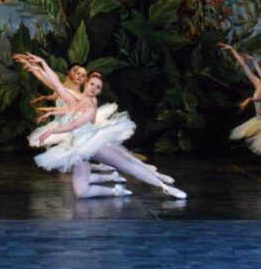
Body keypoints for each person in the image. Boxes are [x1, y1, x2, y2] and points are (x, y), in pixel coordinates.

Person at [17, 53, 185, 199]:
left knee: (128, 164)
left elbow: (74, 124)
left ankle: (165, 187)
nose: (94, 88)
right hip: (77, 148)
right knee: (81, 193)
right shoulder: (73, 98)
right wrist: (40, 63)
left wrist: (52, 130)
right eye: (92, 84)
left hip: (93, 143)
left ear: (99, 91)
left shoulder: (91, 106)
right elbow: (55, 82)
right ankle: (115, 191)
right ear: (86, 84)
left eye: (98, 87)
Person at [221, 43, 261, 161]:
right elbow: (244, 66)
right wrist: (232, 50)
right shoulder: (258, 83)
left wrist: (250, 99)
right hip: (260, 120)